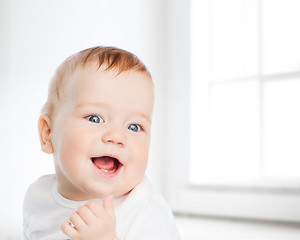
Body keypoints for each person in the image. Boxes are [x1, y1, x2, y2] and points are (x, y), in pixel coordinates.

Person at [23, 46, 181, 240]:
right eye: (95, 119)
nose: (116, 136)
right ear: (48, 134)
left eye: (133, 126)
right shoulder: (38, 197)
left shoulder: (145, 211)